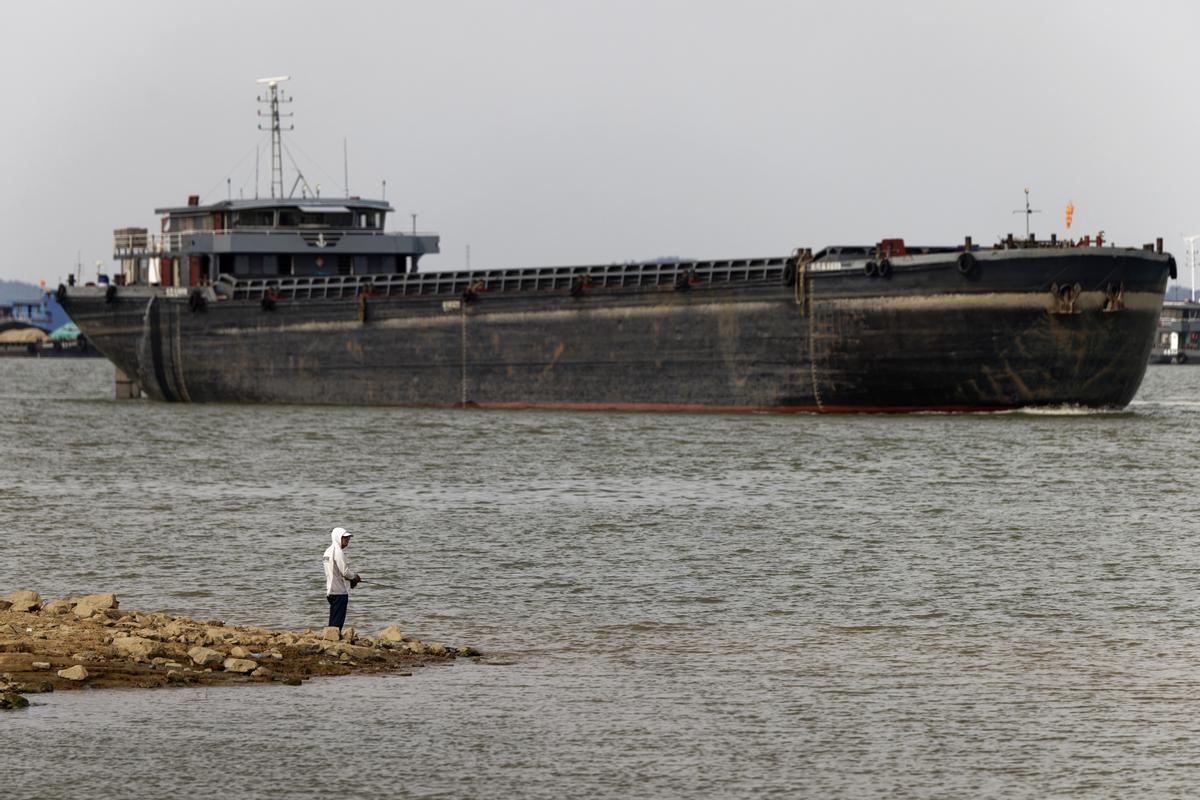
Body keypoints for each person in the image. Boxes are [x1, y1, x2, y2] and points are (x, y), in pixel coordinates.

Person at [322, 526, 361, 630]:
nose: (347, 540)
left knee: (334, 618)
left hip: (330, 591)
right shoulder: (338, 552)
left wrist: (351, 580)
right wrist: (355, 577)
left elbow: (335, 572)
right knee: (337, 621)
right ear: (338, 537)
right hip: (339, 592)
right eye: (345, 538)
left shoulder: (327, 551)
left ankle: (331, 636)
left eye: (348, 538)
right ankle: (334, 638)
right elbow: (345, 572)